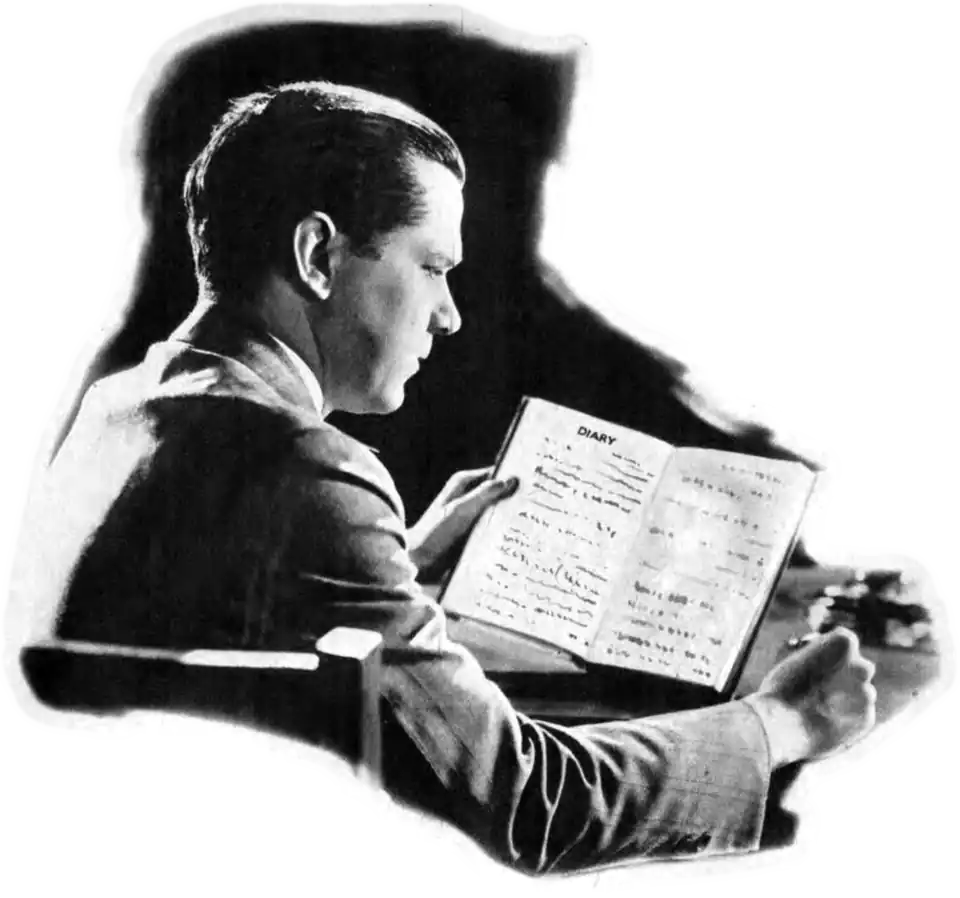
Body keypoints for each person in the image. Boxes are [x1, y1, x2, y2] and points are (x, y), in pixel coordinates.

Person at [39, 81, 875, 873]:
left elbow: (228, 625)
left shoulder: (117, 405)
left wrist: (403, 559)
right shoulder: (306, 469)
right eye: (433, 267)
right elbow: (531, 807)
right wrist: (778, 725)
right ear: (319, 254)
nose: (450, 314)